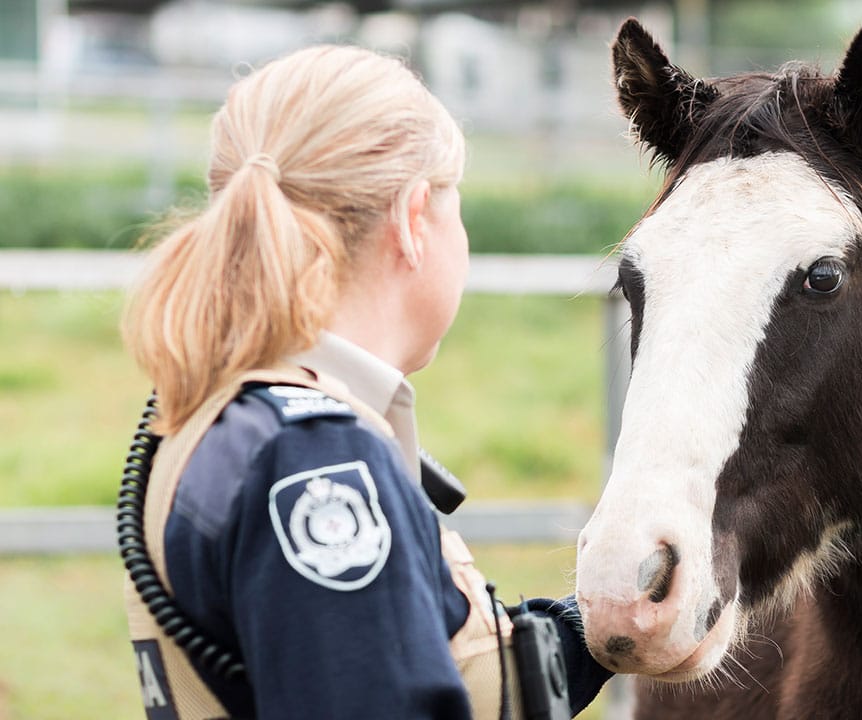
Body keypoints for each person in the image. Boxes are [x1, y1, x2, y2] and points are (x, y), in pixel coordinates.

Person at [119, 44, 611, 719]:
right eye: (455, 207)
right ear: (414, 220)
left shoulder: (231, 415)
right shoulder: (315, 460)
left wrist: (595, 631)